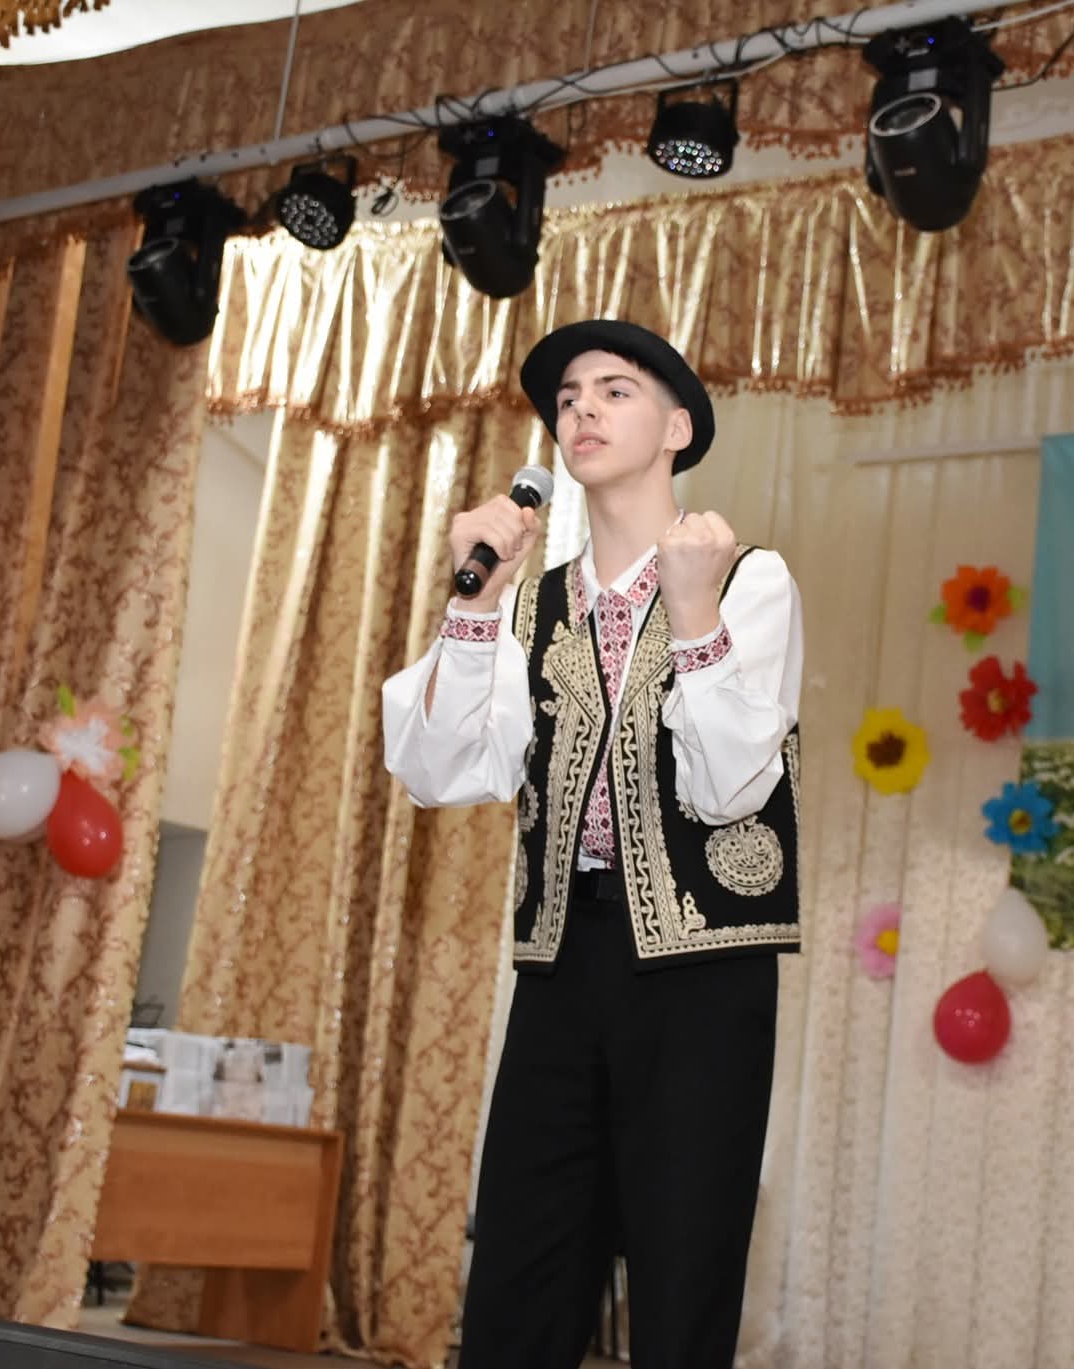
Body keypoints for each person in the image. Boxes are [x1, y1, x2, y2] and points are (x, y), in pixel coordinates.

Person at [381, 319, 804, 1369]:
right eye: (568, 397)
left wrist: (693, 611)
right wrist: (474, 604)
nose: (581, 410)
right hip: (564, 963)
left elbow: (731, 784)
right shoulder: (530, 602)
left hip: (704, 970)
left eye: (614, 391)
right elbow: (438, 770)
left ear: (677, 428)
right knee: (522, 1266)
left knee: (682, 1268)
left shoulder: (749, 580)